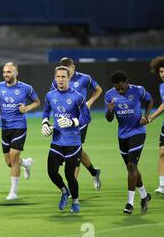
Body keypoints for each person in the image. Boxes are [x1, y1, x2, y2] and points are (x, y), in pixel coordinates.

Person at [42, 66, 91, 214]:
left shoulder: (77, 97)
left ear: (69, 78)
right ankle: (64, 191)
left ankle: (75, 202)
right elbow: (46, 111)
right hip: (57, 140)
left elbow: (87, 117)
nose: (60, 80)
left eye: (63, 77)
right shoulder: (50, 95)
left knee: (70, 175)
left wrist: (73, 122)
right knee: (51, 171)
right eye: (58, 77)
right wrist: (45, 122)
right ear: (55, 78)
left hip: (73, 143)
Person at [105, 70, 153, 214]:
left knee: (132, 166)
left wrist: (146, 116)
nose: (119, 90)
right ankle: (145, 196)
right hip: (122, 135)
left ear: (126, 82)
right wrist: (110, 110)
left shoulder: (138, 90)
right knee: (132, 169)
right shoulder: (109, 95)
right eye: (116, 88)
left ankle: (129, 203)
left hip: (138, 132)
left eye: (121, 87)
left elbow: (149, 100)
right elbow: (108, 119)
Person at [51, 57, 102, 190]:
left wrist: (90, 102)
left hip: (80, 120)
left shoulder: (85, 78)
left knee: (75, 151)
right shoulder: (58, 79)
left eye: (69, 69)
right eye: (64, 70)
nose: (67, 73)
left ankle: (71, 186)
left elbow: (98, 89)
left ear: (74, 67)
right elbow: (53, 96)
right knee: (78, 151)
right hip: (64, 121)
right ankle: (94, 172)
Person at [0, 62, 40, 200]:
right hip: (5, 127)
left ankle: (13, 192)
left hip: (19, 127)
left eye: (9, 72)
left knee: (13, 157)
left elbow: (37, 102)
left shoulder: (26, 88)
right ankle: (25, 163)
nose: (6, 75)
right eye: (4, 72)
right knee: (9, 162)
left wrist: (26, 109)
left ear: (16, 72)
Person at [148, 56, 164, 196]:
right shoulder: (162, 86)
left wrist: (152, 116)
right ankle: (162, 185)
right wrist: (152, 116)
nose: (163, 74)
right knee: (162, 153)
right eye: (161, 71)